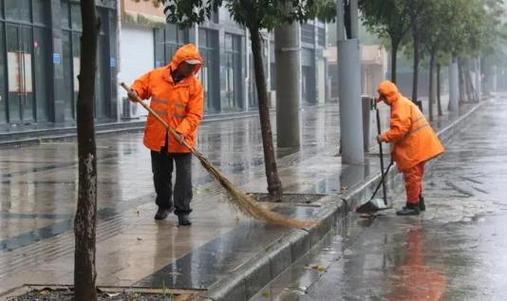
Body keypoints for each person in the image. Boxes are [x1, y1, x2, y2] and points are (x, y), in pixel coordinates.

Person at [127, 44, 204, 226]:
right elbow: (141, 86)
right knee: (161, 175)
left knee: (184, 178)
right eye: (189, 64)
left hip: (182, 139)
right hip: (158, 137)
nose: (192, 68)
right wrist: (134, 92)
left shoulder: (194, 86)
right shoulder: (157, 76)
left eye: (195, 65)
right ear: (179, 63)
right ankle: (164, 205)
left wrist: (181, 130)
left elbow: (195, 114)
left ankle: (183, 211)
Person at [376, 80, 445, 216]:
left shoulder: (399, 106)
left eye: (383, 99)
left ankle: (412, 206)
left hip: (416, 146)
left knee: (412, 176)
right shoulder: (402, 102)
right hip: (420, 144)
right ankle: (418, 202)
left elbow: (400, 130)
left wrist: (383, 137)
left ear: (387, 96)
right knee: (416, 175)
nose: (383, 102)